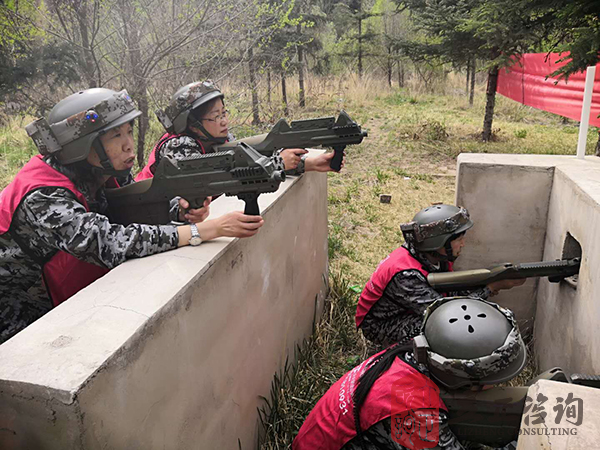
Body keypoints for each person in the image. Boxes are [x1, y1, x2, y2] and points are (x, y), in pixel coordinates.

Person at [0, 88, 263, 344]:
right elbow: (109, 242)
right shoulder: (44, 196)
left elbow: (132, 204)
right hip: (13, 305)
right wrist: (203, 231)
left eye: (129, 131)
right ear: (83, 146)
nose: (129, 145)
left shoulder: (100, 170)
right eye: (116, 136)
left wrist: (181, 210)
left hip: (46, 292)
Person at [293, 296, 527, 450]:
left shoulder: (409, 355)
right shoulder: (415, 414)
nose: (497, 386)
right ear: (463, 378)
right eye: (494, 379)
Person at [137, 81, 340, 221]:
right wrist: (278, 163)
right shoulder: (179, 145)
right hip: (144, 210)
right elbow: (215, 179)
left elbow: (248, 163)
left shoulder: (220, 139)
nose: (224, 121)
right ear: (193, 125)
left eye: (224, 113)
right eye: (216, 116)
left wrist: (307, 163)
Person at [356, 204, 526, 347]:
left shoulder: (432, 256)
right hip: (381, 326)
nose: (463, 244)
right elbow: (448, 315)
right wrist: (490, 288)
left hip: (408, 310)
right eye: (458, 239)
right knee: (444, 330)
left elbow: (451, 293)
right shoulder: (407, 276)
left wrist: (488, 282)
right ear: (438, 243)